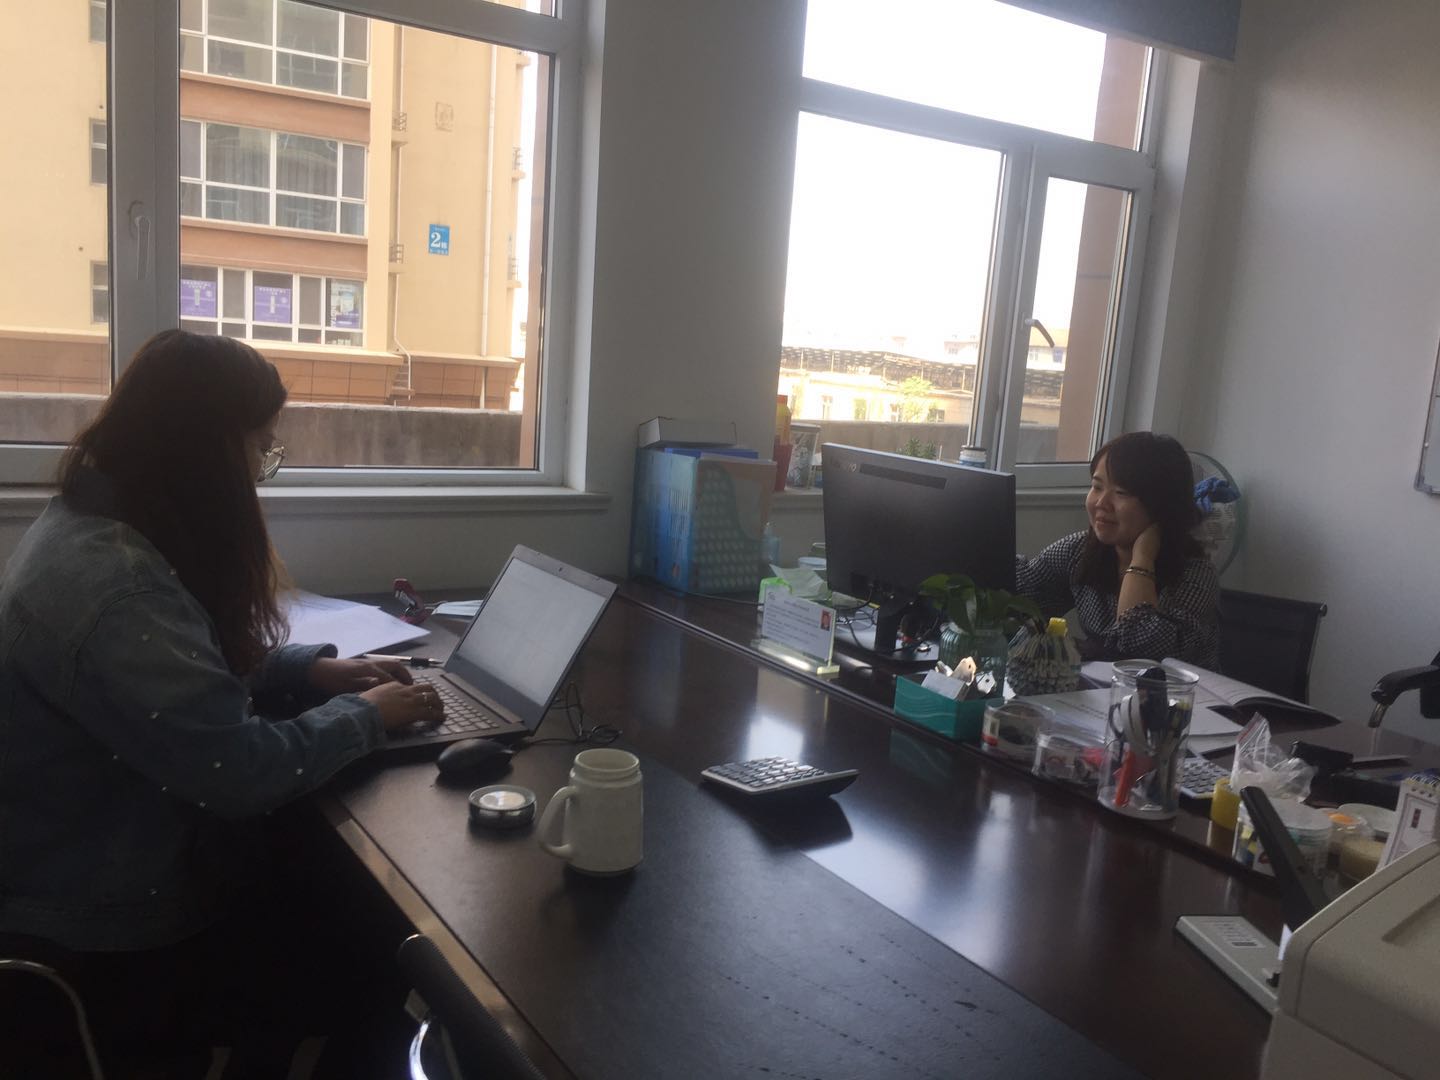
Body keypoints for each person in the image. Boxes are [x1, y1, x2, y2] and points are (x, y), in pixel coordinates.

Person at [0, 330, 442, 1076]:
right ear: (204, 452)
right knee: (373, 942)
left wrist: (310, 672)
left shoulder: (90, 524)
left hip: (86, 863)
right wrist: (368, 716)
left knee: (338, 896)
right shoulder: (117, 587)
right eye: (260, 449)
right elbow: (236, 771)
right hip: (107, 932)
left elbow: (170, 672)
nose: (260, 473)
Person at [1015, 431, 1219, 668]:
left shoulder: (1196, 575)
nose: (1101, 503)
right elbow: (1019, 594)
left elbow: (1140, 651)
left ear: (1162, 504)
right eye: (1097, 487)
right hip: (1101, 687)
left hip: (1177, 691)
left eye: (1121, 493)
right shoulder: (1079, 550)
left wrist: (1142, 560)